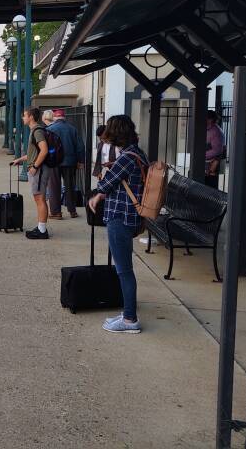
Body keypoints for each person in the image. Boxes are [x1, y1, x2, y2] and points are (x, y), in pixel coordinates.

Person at [88, 115, 147, 334]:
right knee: (124, 269)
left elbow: (106, 183)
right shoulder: (137, 153)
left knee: (124, 270)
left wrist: (98, 195)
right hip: (130, 217)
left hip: (119, 217)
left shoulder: (126, 158)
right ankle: (127, 313)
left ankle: (130, 320)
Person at [12, 106, 53, 239]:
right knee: (38, 198)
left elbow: (44, 150)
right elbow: (33, 153)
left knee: (40, 198)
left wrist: (35, 166)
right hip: (38, 169)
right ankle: (41, 227)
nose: (23, 118)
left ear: (30, 117)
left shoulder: (37, 131)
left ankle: (42, 231)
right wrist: (19, 159)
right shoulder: (34, 131)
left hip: (39, 170)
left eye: (24, 115)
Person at [45, 108, 85, 219]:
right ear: (64, 118)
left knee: (54, 187)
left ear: (54, 118)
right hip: (70, 162)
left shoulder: (49, 129)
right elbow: (80, 147)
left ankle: (56, 212)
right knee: (70, 186)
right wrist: (80, 161)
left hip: (54, 162)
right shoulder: (73, 129)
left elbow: (46, 147)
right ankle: (72, 211)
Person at [205, 110, 225, 189]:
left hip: (211, 163)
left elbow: (217, 150)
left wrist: (202, 154)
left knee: (209, 186)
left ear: (210, 119)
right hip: (208, 163)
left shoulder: (215, 131)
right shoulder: (209, 129)